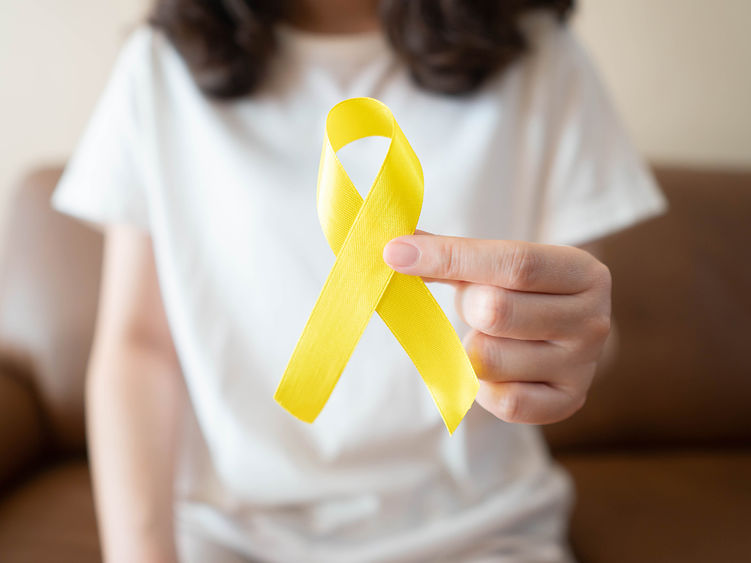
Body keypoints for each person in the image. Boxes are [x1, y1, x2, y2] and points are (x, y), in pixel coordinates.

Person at [51, 1, 667, 561]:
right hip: (232, 537)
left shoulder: (540, 55)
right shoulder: (159, 69)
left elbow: (576, 327)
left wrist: (561, 347)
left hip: (484, 531)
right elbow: (138, 346)